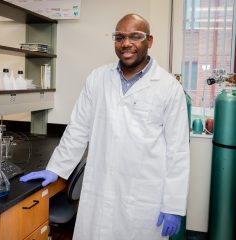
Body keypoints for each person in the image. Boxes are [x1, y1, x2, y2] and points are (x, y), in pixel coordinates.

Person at [20, 13, 190, 240]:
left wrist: (174, 205)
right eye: (119, 37)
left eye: (135, 36)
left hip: (144, 199)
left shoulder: (169, 88)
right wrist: (56, 168)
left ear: (149, 41)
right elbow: (78, 129)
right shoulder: (97, 79)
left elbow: (178, 152)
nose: (126, 43)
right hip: (100, 193)